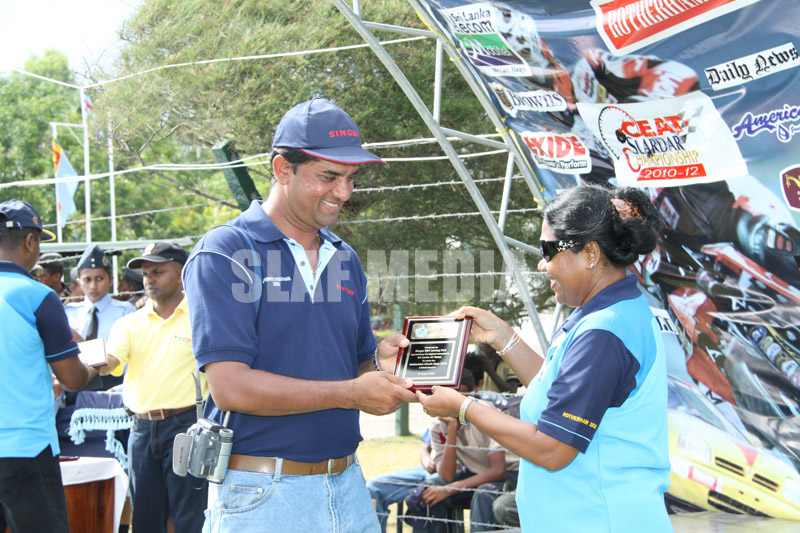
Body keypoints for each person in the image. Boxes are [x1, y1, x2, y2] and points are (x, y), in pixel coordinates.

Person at [182, 97, 417, 532]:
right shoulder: (228, 252)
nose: (343, 193)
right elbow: (231, 388)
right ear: (282, 169)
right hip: (263, 496)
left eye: (350, 178)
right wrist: (351, 392)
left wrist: (382, 366)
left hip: (348, 486)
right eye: (329, 176)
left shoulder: (344, 258)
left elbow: (357, 368)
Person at [417, 184, 671, 532]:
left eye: (548, 249)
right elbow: (563, 390)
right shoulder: (611, 313)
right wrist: (502, 337)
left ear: (591, 254)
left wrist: (463, 408)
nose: (541, 263)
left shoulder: (604, 333)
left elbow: (553, 450)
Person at [0, 200, 97, 533]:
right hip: (25, 447)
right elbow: (71, 378)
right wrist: (92, 367)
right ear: (30, 242)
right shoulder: (38, 295)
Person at [98, 241, 208, 532]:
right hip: (141, 430)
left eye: (158, 272)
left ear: (182, 273)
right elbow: (109, 362)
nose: (149, 280)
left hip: (188, 426)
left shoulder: (203, 316)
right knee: (145, 520)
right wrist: (73, 362)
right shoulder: (129, 323)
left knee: (191, 519)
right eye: (146, 274)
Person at [64, 244, 136, 391]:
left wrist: (125, 390)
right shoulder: (69, 313)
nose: (93, 286)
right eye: (87, 280)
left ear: (111, 280)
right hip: (77, 385)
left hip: (113, 386)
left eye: (99, 278)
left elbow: (132, 358)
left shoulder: (125, 312)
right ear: (78, 282)